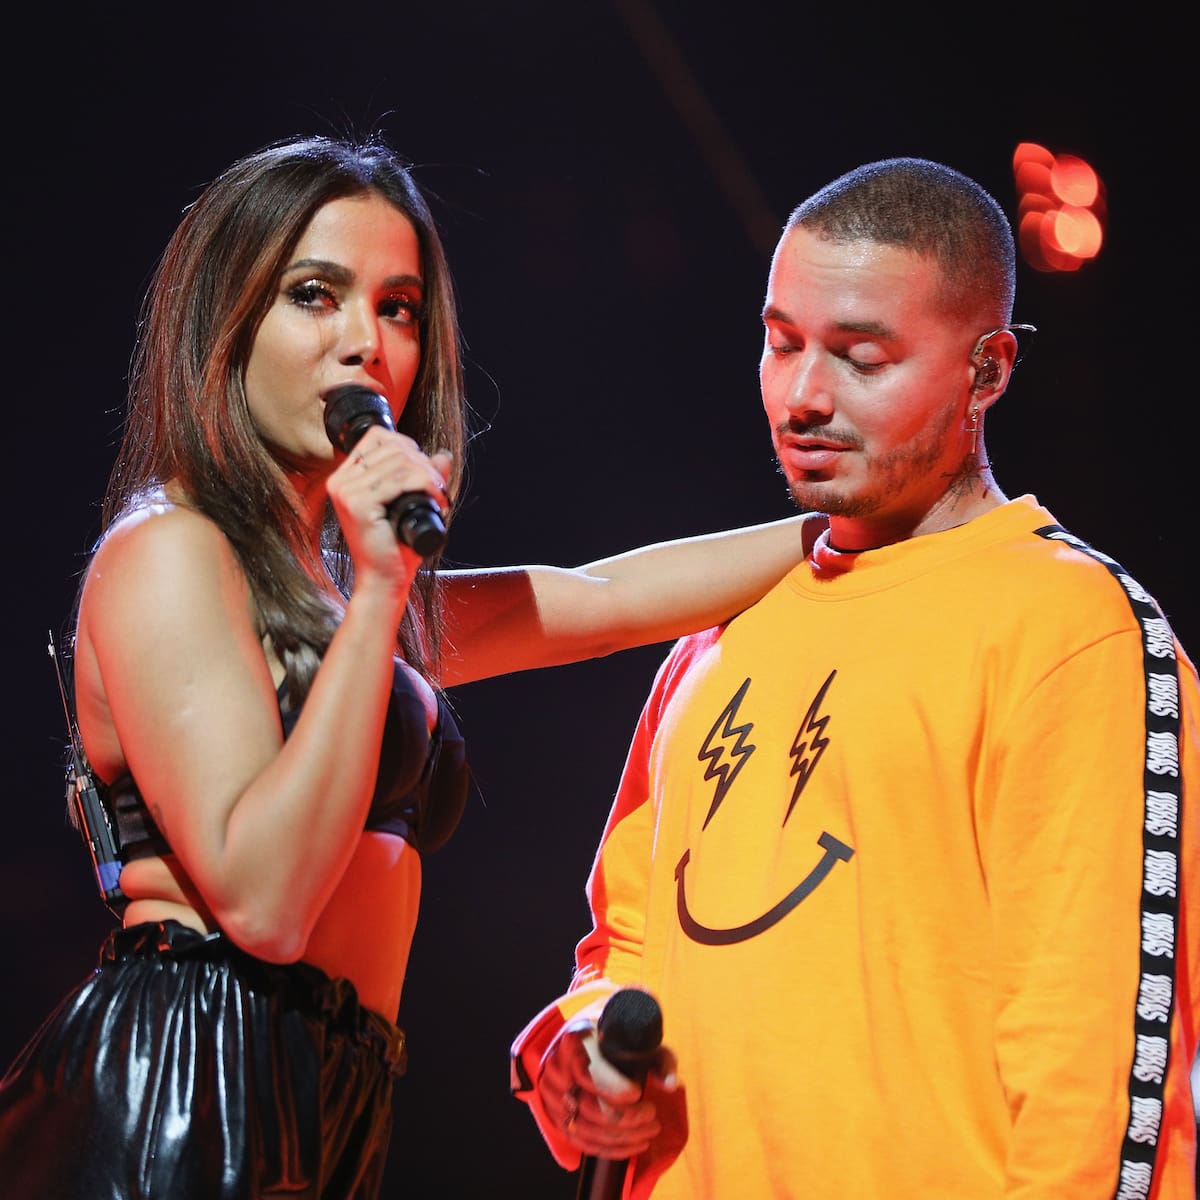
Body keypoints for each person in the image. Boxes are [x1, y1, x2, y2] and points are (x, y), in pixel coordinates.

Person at [0, 133, 822, 1199]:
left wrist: (860, 526)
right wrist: (383, 591)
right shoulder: (171, 551)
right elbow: (264, 903)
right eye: (314, 295)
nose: (366, 344)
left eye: (397, 308)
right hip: (189, 1079)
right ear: (226, 320)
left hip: (331, 1090)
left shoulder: (342, 593)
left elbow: (604, 599)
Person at [510, 157, 1200, 1198]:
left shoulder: (1074, 630)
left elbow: (1095, 1084)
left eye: (861, 358)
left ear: (988, 370)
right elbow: (629, 946)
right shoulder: (722, 630)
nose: (803, 397)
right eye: (782, 343)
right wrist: (585, 1041)